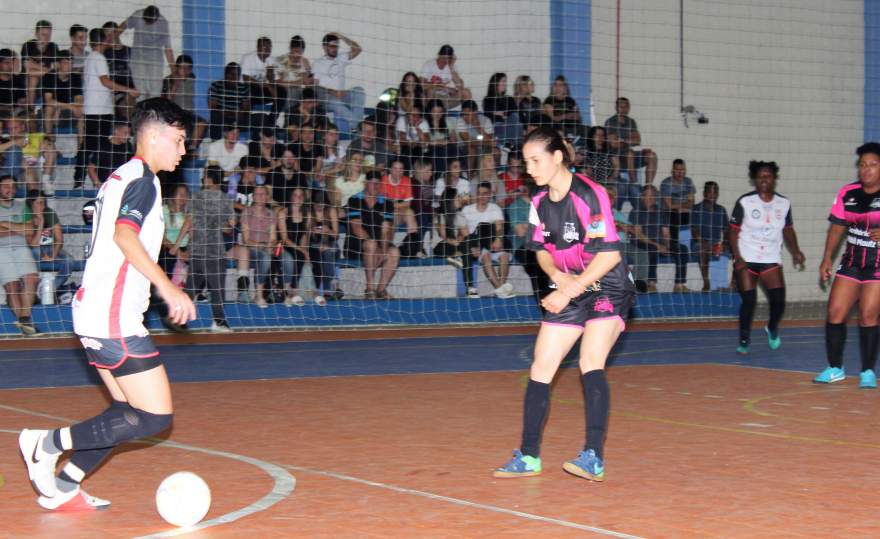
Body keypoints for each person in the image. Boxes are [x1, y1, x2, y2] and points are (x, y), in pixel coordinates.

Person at [17, 98, 195, 511]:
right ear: (154, 134)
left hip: (96, 309)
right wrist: (169, 288)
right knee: (154, 417)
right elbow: (124, 237)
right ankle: (46, 444)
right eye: (179, 139)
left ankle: (64, 485)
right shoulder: (143, 180)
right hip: (112, 315)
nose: (183, 150)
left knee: (125, 411)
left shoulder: (120, 177)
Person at [494, 126, 635, 482]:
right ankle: (528, 456)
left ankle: (593, 457)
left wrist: (568, 289)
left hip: (608, 286)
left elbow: (610, 255)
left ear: (558, 157)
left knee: (590, 361)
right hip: (571, 284)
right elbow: (540, 250)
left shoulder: (590, 195)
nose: (529, 168)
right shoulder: (539, 202)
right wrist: (559, 278)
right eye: (526, 161)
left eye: (535, 160)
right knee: (542, 365)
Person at [817, 143, 880, 386]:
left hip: (877, 265)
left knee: (868, 315)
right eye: (863, 164)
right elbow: (836, 228)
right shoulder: (848, 193)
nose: (866, 169)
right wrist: (826, 259)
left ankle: (867, 371)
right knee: (835, 312)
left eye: (873, 165)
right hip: (852, 262)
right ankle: (835, 368)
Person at [728, 161, 805, 355]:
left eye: (768, 176)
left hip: (770, 257)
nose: (764, 179)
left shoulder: (784, 203)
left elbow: (788, 230)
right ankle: (744, 339)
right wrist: (737, 257)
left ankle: (771, 328)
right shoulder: (745, 202)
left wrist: (796, 251)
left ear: (774, 179)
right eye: (760, 176)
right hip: (747, 256)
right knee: (749, 301)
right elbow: (732, 232)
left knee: (778, 300)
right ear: (755, 179)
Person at [74, 27, 138, 188]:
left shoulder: (91, 58)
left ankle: (84, 178)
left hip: (96, 109)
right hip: (99, 110)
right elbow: (105, 82)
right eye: (108, 37)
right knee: (92, 145)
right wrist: (128, 89)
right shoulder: (99, 58)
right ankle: (81, 179)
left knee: (93, 145)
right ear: (104, 40)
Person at [186, 165, 233, 332]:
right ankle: (217, 321)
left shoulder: (219, 199)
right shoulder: (204, 197)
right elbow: (190, 222)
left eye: (206, 175)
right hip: (207, 250)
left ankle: (179, 319)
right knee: (204, 289)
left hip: (207, 250)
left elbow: (229, 227)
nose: (203, 178)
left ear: (211, 178)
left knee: (202, 288)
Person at [345, 173, 400, 299]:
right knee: (371, 244)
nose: (375, 186)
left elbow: (387, 231)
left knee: (394, 252)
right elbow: (356, 228)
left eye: (377, 183)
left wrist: (383, 248)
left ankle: (380, 290)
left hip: (379, 243)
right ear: (365, 183)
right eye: (372, 182)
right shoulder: (354, 200)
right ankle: (370, 288)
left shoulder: (387, 203)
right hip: (356, 244)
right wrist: (375, 245)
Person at [459, 181, 513, 298]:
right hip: (476, 244)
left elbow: (499, 227)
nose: (481, 196)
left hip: (492, 242)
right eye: (479, 193)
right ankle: (500, 289)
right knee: (486, 256)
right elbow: (464, 233)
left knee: (504, 256)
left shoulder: (495, 208)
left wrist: (498, 239)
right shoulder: (467, 210)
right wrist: (473, 246)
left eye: (485, 194)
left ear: (490, 195)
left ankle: (501, 288)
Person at [0, 175, 40, 335]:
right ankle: (26, 325)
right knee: (13, 286)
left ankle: (24, 319)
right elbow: (24, 230)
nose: (10, 189)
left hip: (21, 246)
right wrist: (19, 228)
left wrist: (4, 224)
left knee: (32, 279)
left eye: (13, 186)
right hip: (1, 249)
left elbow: (30, 230)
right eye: (6, 186)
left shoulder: (22, 205)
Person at [631, 184, 690, 292]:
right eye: (648, 196)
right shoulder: (636, 211)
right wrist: (658, 246)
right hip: (641, 243)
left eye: (653, 196)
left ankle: (679, 284)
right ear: (642, 197)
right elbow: (638, 235)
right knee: (651, 249)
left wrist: (666, 246)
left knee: (682, 249)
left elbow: (666, 233)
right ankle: (651, 283)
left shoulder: (660, 211)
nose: (651, 198)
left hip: (659, 243)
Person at [311, 32, 364, 135]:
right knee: (335, 102)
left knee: (359, 91)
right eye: (332, 46)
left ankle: (355, 126)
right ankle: (358, 126)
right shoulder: (318, 63)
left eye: (337, 46)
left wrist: (342, 37)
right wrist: (333, 92)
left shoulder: (341, 57)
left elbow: (358, 49)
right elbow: (315, 86)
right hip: (326, 98)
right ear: (324, 47)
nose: (335, 48)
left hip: (341, 95)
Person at [120, 5, 174, 100]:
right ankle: (141, 113)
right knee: (140, 91)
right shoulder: (138, 15)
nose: (147, 23)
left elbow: (168, 49)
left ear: (156, 18)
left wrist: (173, 70)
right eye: (146, 20)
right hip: (138, 57)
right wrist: (113, 37)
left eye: (150, 21)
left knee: (156, 91)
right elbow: (123, 26)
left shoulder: (163, 23)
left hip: (155, 58)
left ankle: (154, 113)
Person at [604, 96, 657, 189]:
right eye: (621, 106)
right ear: (616, 108)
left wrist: (622, 140)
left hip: (629, 155)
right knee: (630, 154)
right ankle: (634, 184)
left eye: (626, 107)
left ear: (629, 108)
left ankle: (648, 187)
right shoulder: (610, 122)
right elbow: (613, 144)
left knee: (651, 155)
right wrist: (628, 140)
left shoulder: (631, 122)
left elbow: (637, 140)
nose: (624, 109)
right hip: (616, 158)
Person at [25, 190, 73, 293]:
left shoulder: (49, 212)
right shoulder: (27, 215)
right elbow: (33, 244)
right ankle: (33, 289)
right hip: (34, 249)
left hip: (51, 247)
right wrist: (41, 223)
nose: (42, 206)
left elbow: (59, 239)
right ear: (31, 204)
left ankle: (49, 290)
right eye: (38, 203)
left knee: (69, 260)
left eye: (43, 202)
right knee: (36, 251)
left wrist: (53, 256)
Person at [691, 181, 729, 291]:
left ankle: (733, 284)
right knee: (702, 248)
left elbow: (726, 231)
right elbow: (695, 233)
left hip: (717, 244)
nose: (712, 194)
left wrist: (723, 243)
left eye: (715, 192)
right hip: (700, 243)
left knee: (740, 248)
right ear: (704, 193)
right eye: (709, 192)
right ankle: (706, 282)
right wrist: (706, 243)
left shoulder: (721, 210)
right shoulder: (696, 209)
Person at [41, 49, 83, 136]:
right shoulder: (49, 77)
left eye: (71, 63)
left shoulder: (75, 77)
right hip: (53, 110)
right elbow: (49, 101)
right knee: (49, 108)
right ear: (58, 64)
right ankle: (49, 141)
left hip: (66, 109)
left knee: (81, 110)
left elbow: (79, 99)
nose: (69, 66)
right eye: (65, 63)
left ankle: (81, 146)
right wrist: (70, 107)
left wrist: (63, 108)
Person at [420, 44, 471, 110]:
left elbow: (460, 86)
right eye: (443, 58)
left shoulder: (452, 67)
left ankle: (467, 116)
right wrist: (444, 88)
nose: (445, 61)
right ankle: (432, 116)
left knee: (466, 92)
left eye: (448, 58)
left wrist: (451, 67)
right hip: (434, 98)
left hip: (448, 98)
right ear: (439, 55)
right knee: (430, 91)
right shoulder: (429, 65)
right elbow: (421, 85)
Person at [659, 159, 695, 245]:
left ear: (685, 171)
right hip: (669, 214)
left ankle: (692, 246)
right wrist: (683, 207)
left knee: (697, 217)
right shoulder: (666, 183)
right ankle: (674, 246)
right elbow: (669, 206)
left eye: (682, 170)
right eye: (677, 170)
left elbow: (692, 203)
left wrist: (680, 207)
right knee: (674, 216)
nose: (679, 173)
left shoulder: (688, 181)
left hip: (684, 213)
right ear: (672, 171)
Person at [87, 120, 133, 186]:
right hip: (107, 185)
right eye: (125, 133)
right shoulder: (103, 146)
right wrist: (100, 187)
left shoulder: (128, 146)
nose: (128, 136)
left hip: (123, 185)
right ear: (116, 131)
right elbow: (91, 169)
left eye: (129, 133)